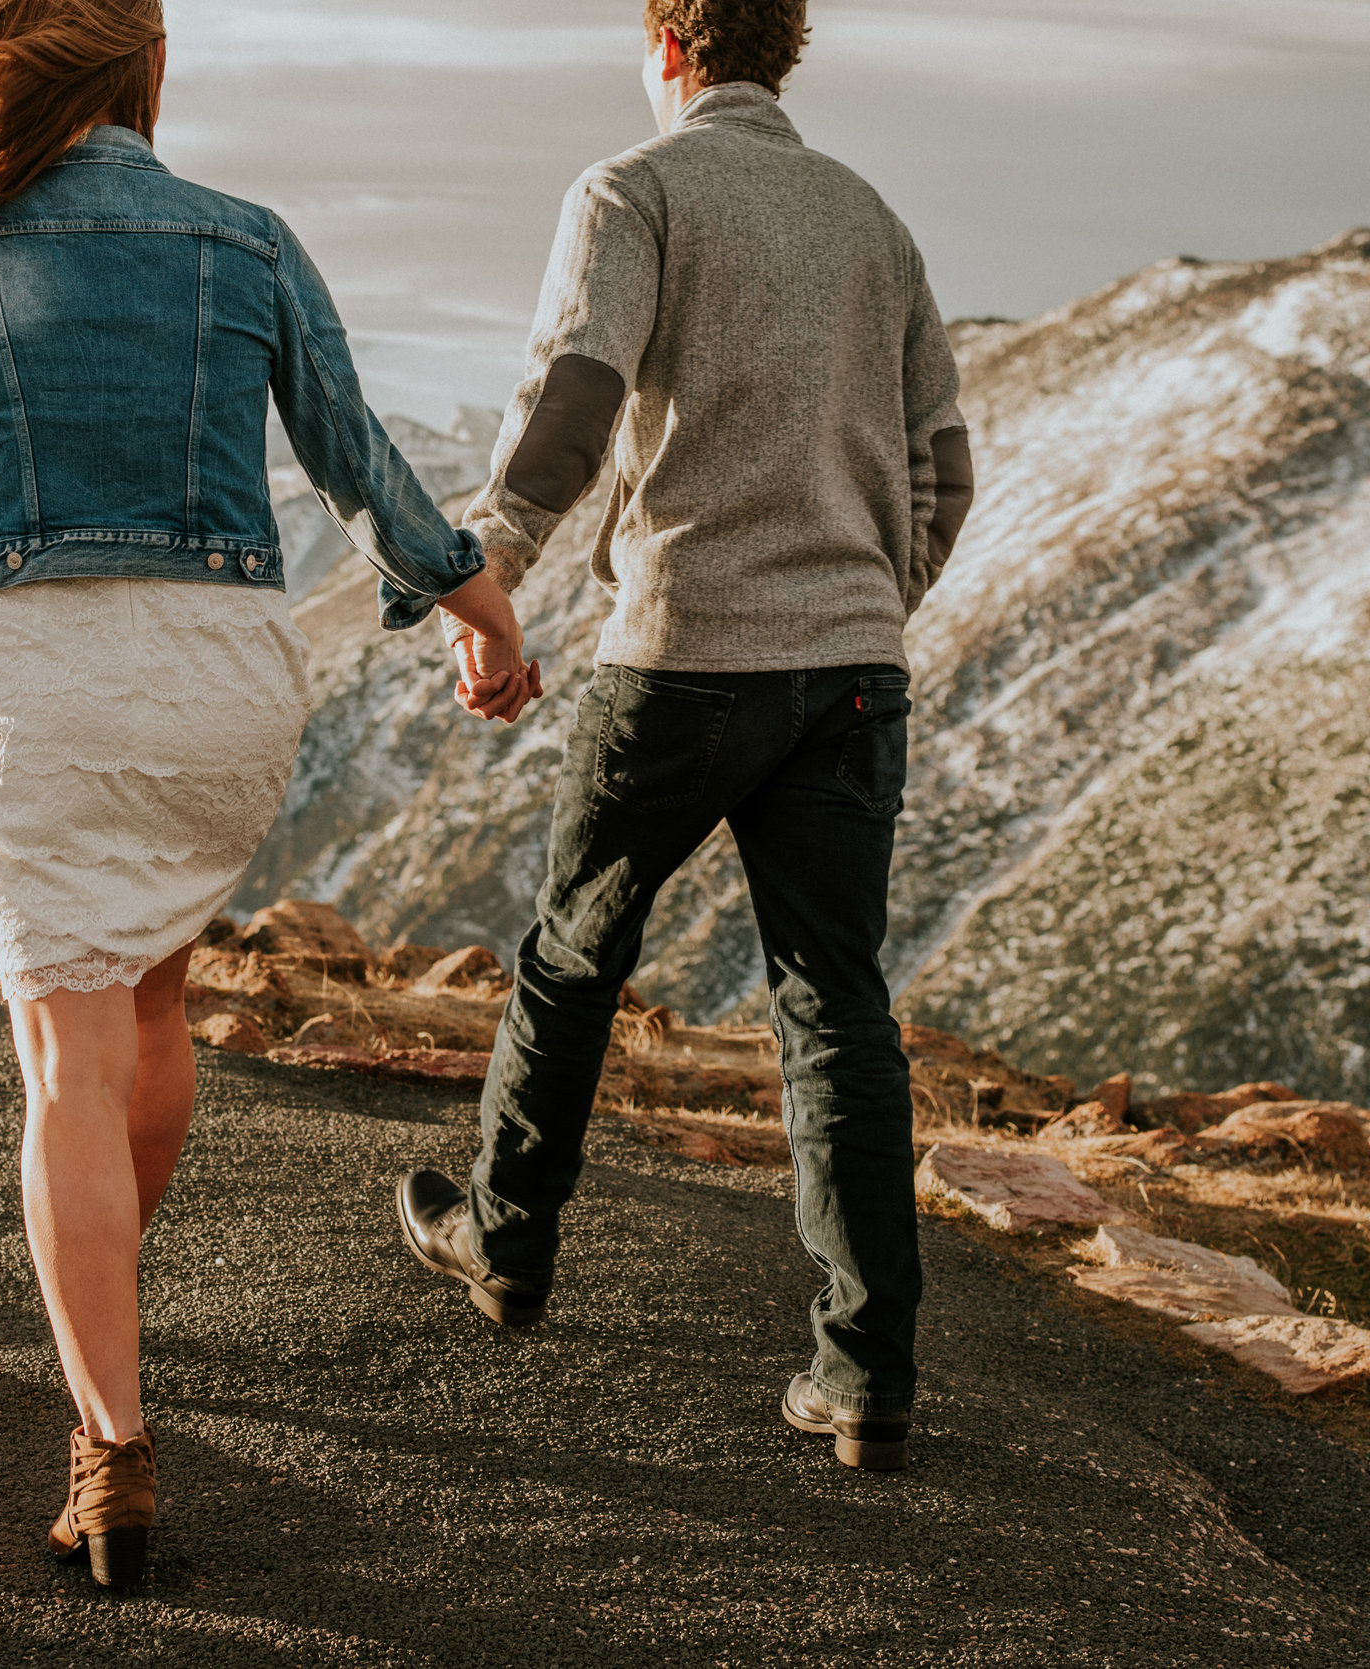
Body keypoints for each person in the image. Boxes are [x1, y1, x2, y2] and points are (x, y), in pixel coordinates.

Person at [0, 0, 535, 1586]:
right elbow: (357, 460)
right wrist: (476, 604)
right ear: (147, 77)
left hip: (38, 688)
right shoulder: (247, 242)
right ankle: (103, 1316)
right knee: (151, 1014)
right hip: (223, 685)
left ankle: (111, 1437)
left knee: (62, 1060)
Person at [397, 0, 975, 1474]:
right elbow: (946, 468)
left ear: (666, 47)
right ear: (782, 52)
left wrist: (493, 577)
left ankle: (508, 1242)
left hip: (682, 655)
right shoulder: (875, 222)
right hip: (849, 666)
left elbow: (576, 400)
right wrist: (866, 597)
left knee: (576, 948)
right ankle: (864, 1375)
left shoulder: (632, 193)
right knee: (837, 1008)